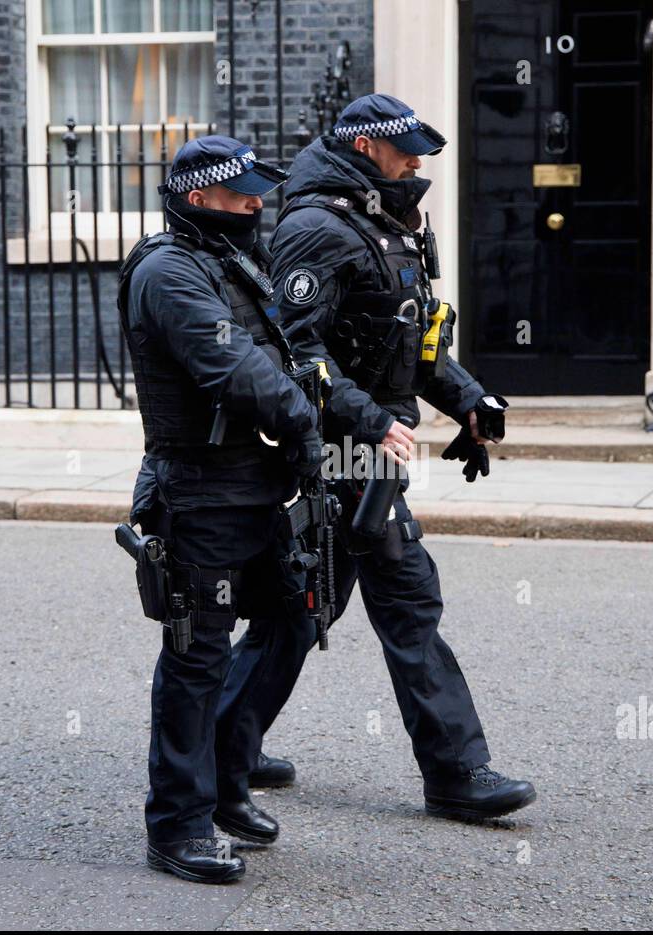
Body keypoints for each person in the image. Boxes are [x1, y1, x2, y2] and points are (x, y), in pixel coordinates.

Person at [221, 94, 537, 821]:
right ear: (368, 150)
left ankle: (226, 742)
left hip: (375, 450)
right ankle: (456, 774)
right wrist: (366, 424)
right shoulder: (316, 228)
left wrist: (468, 400)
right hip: (337, 450)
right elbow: (299, 351)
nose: (419, 162)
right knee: (369, 602)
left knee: (325, 609)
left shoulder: (384, 225)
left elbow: (413, 344)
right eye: (407, 149)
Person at [121, 135, 322, 884]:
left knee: (292, 622)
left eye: (259, 192)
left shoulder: (231, 258)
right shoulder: (169, 271)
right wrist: (302, 415)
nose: (258, 203)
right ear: (199, 198)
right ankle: (177, 824)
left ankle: (227, 782)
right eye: (243, 194)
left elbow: (281, 346)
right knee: (197, 654)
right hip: (201, 490)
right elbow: (226, 363)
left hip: (258, 481)